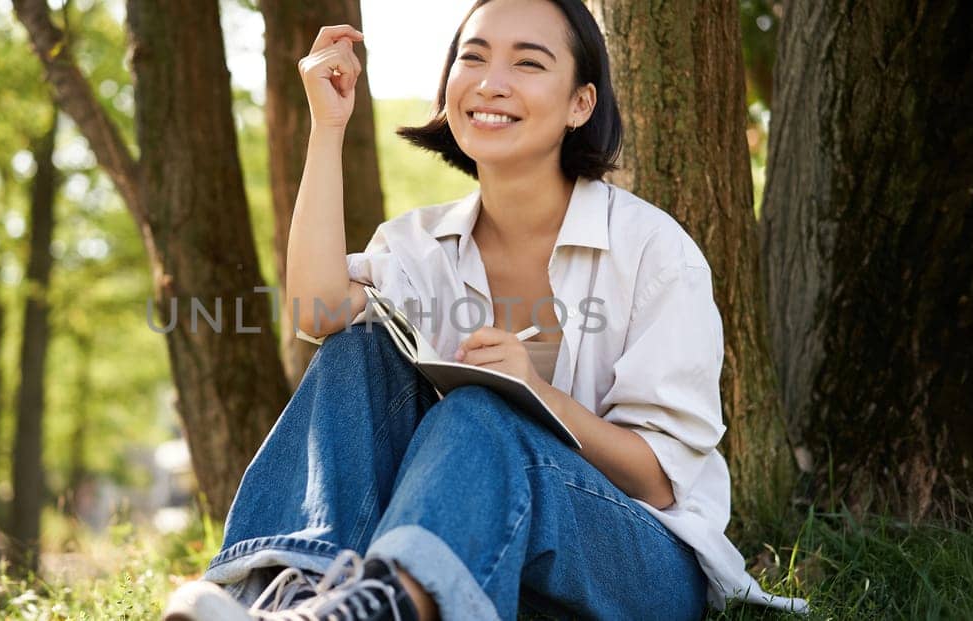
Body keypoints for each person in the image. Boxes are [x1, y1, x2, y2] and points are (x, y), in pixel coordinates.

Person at [164, 0, 808, 618]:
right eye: (473, 58)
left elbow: (660, 483)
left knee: (481, 411)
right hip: (474, 537)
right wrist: (328, 128)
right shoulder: (419, 244)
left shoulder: (652, 251)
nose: (491, 83)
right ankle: (293, 596)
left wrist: (530, 392)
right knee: (357, 350)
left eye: (528, 63)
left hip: (641, 561)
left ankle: (366, 610)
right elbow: (319, 312)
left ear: (581, 103)